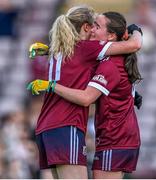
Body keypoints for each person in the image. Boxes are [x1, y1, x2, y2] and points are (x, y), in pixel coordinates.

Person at [27, 5, 142, 179]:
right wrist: (136, 30)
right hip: (67, 126)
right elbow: (134, 45)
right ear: (86, 27)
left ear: (111, 35)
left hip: (47, 128)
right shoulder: (86, 48)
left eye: (98, 26)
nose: (94, 30)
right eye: (93, 25)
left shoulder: (60, 49)